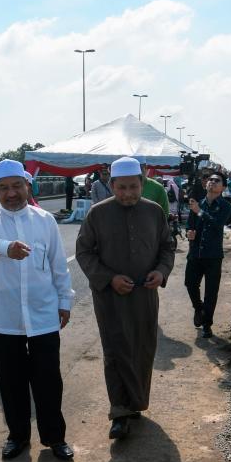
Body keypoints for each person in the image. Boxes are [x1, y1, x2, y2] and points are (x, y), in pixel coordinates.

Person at [0, 159, 75, 461]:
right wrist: (6, 248)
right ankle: (17, 436)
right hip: (2, 317)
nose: (11, 193)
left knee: (48, 380)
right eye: (4, 188)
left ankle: (55, 438)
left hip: (42, 314)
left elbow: (58, 265)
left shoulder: (44, 220)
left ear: (27, 186)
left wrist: (64, 301)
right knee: (10, 381)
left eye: (17, 186)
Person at [75, 156, 174, 441]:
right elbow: (84, 252)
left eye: (133, 187)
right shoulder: (97, 213)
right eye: (121, 188)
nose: (128, 194)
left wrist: (160, 271)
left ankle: (136, 404)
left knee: (142, 347)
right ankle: (119, 412)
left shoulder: (154, 212)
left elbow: (167, 247)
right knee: (115, 350)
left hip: (145, 294)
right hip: (110, 297)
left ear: (142, 183)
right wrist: (109, 279)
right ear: (112, 185)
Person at [185, 173, 231, 338]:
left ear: (223, 187)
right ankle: (199, 309)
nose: (212, 182)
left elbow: (218, 225)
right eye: (210, 180)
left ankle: (207, 324)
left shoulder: (226, 206)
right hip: (195, 252)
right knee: (190, 284)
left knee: (211, 291)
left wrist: (199, 212)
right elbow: (190, 224)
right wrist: (189, 232)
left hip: (213, 255)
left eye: (217, 181)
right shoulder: (197, 204)